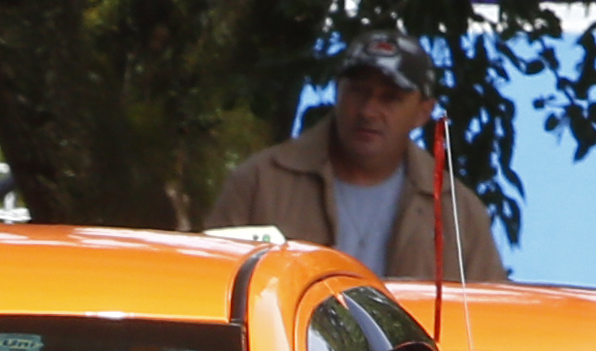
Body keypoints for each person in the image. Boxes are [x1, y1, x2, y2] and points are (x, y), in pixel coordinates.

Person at [209, 34, 507, 284]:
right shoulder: (260, 181)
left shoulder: (457, 210)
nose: (368, 110)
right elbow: (210, 285)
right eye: (358, 92)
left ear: (423, 112)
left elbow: (493, 324)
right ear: (337, 92)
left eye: (390, 98)